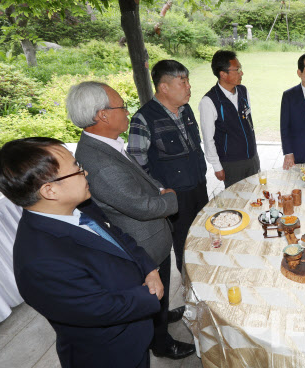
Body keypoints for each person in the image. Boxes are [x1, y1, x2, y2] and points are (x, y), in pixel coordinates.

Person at [0, 137, 162, 368]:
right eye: (77, 168)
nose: (86, 173)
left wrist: (149, 268)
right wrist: (151, 295)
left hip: (135, 336)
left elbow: (119, 238)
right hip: (111, 355)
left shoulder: (80, 206)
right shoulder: (40, 262)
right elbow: (98, 309)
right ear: (50, 190)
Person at [68, 82, 195, 360]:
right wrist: (170, 197)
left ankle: (161, 315)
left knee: (159, 291)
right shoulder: (100, 163)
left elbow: (141, 180)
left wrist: (159, 188)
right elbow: (143, 205)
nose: (127, 112)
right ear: (102, 115)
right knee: (152, 291)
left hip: (152, 236)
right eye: (121, 106)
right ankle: (161, 343)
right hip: (143, 243)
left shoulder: (106, 145)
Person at [128, 60, 208, 274]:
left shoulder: (185, 109)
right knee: (184, 242)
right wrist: (159, 191)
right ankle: (189, 286)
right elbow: (137, 165)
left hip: (198, 185)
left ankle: (207, 274)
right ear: (164, 87)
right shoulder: (143, 119)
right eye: (183, 82)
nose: (189, 87)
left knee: (204, 234)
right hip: (174, 195)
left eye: (188, 81)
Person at [199, 50, 260, 187]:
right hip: (231, 163)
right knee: (237, 201)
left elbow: (248, 123)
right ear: (223, 74)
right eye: (237, 70)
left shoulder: (243, 91)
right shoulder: (209, 101)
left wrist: (255, 154)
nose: (241, 73)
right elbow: (208, 138)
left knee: (256, 197)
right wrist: (216, 166)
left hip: (252, 157)